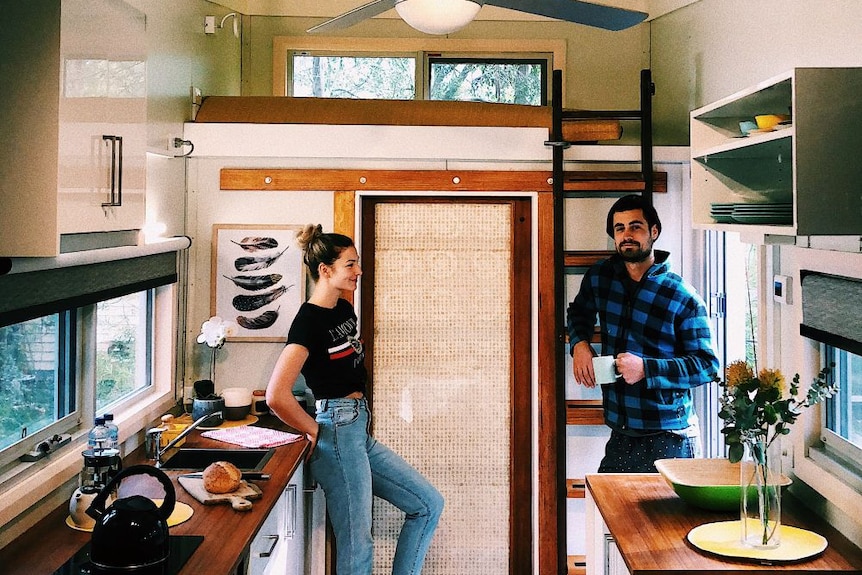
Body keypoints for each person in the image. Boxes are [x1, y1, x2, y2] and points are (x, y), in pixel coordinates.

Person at [265, 224, 444, 575]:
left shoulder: (344, 312)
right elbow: (276, 395)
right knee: (357, 542)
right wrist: (315, 431)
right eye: (350, 264)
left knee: (427, 504)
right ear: (325, 270)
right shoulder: (307, 322)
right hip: (336, 428)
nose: (359, 271)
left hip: (357, 428)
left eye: (356, 263)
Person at [566, 195, 719, 473]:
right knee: (609, 514)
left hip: (669, 437)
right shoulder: (601, 276)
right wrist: (579, 344)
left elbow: (708, 366)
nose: (627, 235)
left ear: (654, 232)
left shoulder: (682, 296)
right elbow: (578, 313)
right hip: (621, 432)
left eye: (635, 227)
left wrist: (646, 369)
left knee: (666, 519)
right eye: (619, 228)